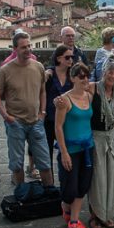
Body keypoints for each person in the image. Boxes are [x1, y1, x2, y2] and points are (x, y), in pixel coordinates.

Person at [0, 31, 54, 188]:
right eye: (23, 47)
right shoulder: (5, 70)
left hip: (36, 122)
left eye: (29, 46)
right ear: (15, 49)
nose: (28, 50)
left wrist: (42, 113)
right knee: (17, 164)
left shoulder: (38, 67)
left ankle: (50, 194)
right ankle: (20, 195)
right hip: (15, 123)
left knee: (45, 163)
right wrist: (6, 116)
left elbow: (42, 91)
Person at [54, 61, 95, 228]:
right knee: (69, 188)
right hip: (71, 149)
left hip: (87, 148)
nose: (85, 79)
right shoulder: (64, 100)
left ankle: (74, 222)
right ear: (72, 78)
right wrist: (64, 152)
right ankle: (66, 209)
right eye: (81, 76)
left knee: (82, 185)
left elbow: (106, 82)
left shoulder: (89, 96)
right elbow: (58, 127)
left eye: (87, 75)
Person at [83, 57, 114, 228]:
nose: (113, 76)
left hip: (113, 136)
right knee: (97, 177)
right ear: (103, 72)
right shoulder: (92, 88)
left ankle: (107, 213)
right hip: (96, 137)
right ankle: (95, 214)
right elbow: (75, 96)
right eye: (110, 72)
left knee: (113, 175)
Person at [44, 45, 74, 181]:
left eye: (72, 57)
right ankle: (49, 183)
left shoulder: (72, 76)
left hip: (66, 119)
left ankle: (66, 178)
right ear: (58, 58)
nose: (70, 60)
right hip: (49, 118)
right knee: (47, 151)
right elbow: (42, 94)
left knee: (66, 149)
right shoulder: (49, 75)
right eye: (67, 57)